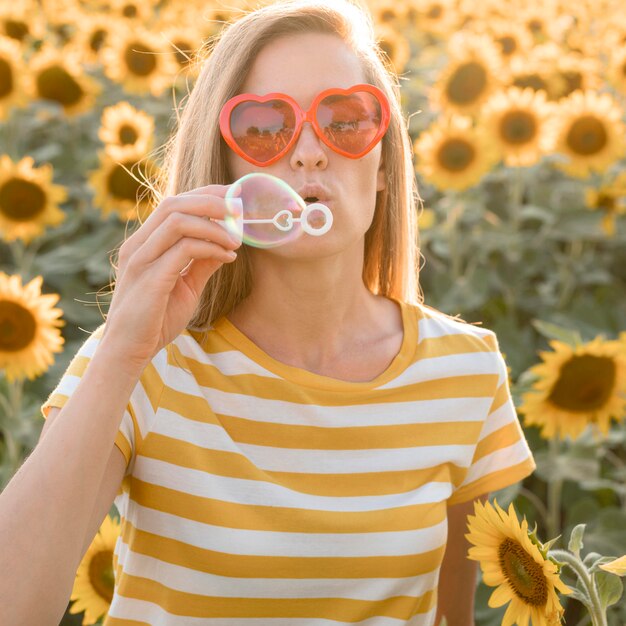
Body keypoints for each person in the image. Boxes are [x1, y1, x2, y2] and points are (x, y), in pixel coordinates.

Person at [0, 0, 536, 624]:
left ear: (385, 162)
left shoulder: (464, 374)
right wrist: (122, 348)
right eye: (263, 126)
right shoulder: (150, 362)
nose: (309, 153)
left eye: (346, 119)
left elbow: (453, 617)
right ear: (223, 163)